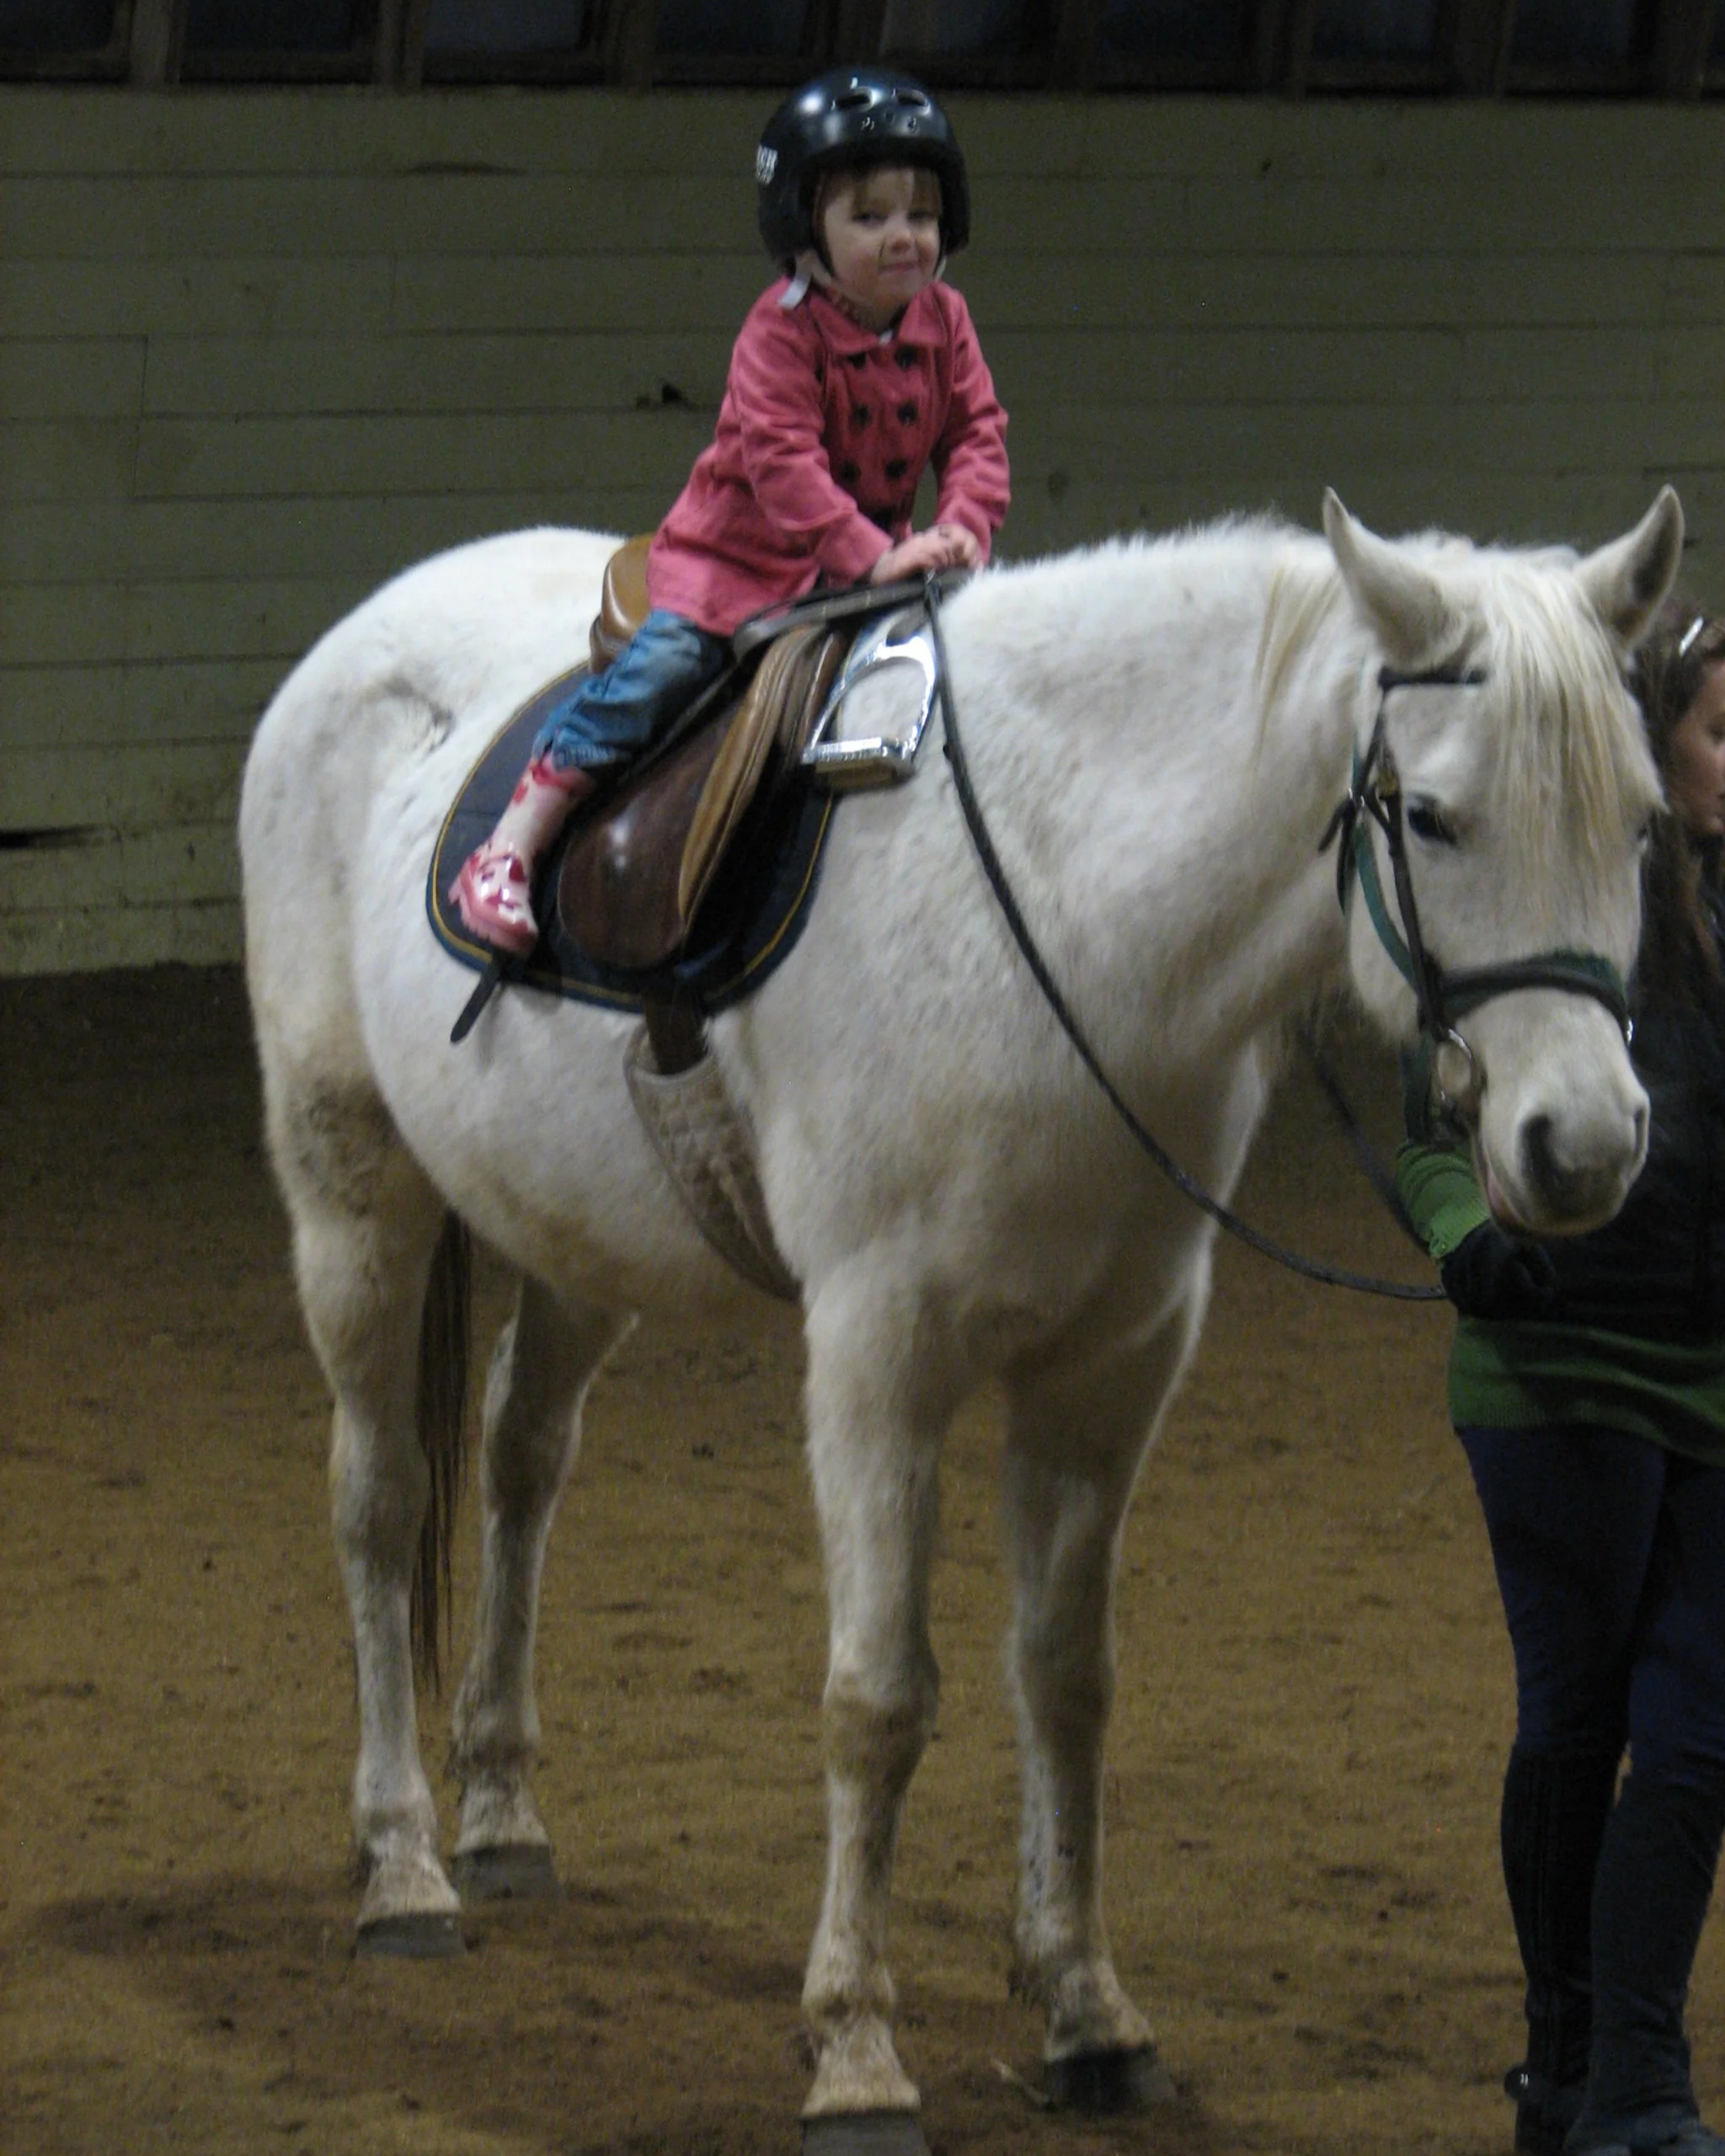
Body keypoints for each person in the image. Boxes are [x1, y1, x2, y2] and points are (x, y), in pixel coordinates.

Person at [1397, 598, 1725, 2156]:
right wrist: (1467, 1236)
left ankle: (1636, 2086)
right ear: (1654, 739)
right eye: (1721, 730)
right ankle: (1571, 2066)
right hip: (1557, 1370)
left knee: (1695, 1727)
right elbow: (1420, 1112)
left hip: (1713, 1383)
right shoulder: (1565, 905)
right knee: (1577, 1718)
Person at [452, 66, 1011, 954]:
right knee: (660, 678)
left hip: (872, 563)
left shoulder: (945, 318)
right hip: (742, 568)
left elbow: (975, 431)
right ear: (804, 231)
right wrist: (870, 555)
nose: (902, 237)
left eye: (920, 214)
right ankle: (513, 843)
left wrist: (966, 526)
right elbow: (784, 466)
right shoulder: (779, 332)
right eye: (868, 217)